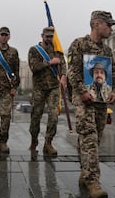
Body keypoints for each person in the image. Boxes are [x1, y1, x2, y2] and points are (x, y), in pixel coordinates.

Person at [67, 11, 115, 198]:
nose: (111, 28)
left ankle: (85, 171)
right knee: (89, 136)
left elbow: (113, 74)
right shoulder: (78, 44)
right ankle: (93, 181)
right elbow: (72, 72)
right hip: (83, 100)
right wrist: (83, 92)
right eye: (108, 25)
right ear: (97, 24)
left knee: (95, 138)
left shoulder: (107, 51)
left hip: (101, 100)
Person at [27, 26, 67, 156]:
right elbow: (34, 67)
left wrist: (64, 76)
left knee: (54, 115)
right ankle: (34, 140)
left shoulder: (57, 50)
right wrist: (49, 63)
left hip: (54, 87)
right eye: (47, 36)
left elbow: (63, 64)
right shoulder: (34, 50)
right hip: (39, 87)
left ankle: (48, 143)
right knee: (36, 115)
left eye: (51, 36)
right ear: (42, 36)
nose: (49, 38)